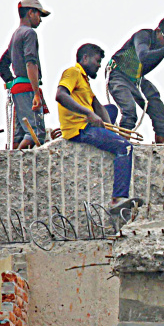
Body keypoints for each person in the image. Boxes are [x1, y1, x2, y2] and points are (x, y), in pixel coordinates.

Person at [55, 43, 138, 212]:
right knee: (125, 147)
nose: (99, 65)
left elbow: (98, 107)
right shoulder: (73, 72)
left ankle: (109, 134)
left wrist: (111, 130)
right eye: (97, 60)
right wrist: (89, 114)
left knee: (111, 110)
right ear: (85, 58)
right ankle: (118, 198)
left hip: (87, 123)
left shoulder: (84, 80)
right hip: (81, 129)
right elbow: (60, 95)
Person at [107, 16, 164, 144]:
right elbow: (143, 56)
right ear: (158, 31)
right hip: (119, 75)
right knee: (129, 111)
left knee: (162, 117)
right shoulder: (143, 36)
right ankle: (122, 148)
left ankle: (161, 154)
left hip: (138, 80)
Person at [0, 0, 51, 149]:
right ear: (30, 13)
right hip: (27, 88)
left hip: (18, 89)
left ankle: (14, 161)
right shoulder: (29, 34)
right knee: (35, 133)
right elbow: (31, 63)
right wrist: (36, 93)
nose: (40, 20)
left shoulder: (15, 36)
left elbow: (1, 65)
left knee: (19, 135)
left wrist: (12, 82)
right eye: (39, 15)